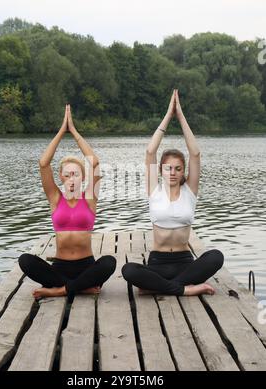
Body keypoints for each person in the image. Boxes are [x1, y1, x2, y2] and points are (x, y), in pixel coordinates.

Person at [122, 90, 224, 296]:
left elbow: (195, 153)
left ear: (183, 171)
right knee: (128, 270)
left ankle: (164, 287)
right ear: (160, 170)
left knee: (216, 256)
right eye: (168, 168)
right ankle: (185, 290)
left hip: (184, 263)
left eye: (178, 168)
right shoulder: (154, 190)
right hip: (157, 262)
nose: (173, 173)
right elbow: (150, 152)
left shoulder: (190, 191)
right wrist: (168, 115)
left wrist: (180, 115)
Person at [18, 104, 116, 299]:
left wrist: (74, 131)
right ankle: (80, 288)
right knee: (25, 260)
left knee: (109, 262)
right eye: (67, 174)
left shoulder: (90, 198)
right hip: (60, 268)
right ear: (61, 177)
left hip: (86, 265)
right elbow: (43, 163)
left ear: (83, 177)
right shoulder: (55, 198)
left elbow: (94, 163)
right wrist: (62, 130)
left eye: (76, 174)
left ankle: (62, 290)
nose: (72, 178)